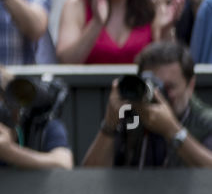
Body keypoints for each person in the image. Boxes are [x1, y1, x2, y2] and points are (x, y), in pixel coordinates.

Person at [85, 40, 212, 168]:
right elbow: (91, 177)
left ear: (190, 85)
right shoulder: (132, 118)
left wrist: (173, 131)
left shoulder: (205, 122)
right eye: (153, 86)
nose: (160, 94)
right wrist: (110, 124)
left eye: (169, 87)